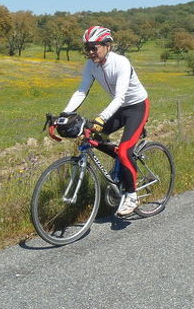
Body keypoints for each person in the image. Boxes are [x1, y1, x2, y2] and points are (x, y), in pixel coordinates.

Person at [62, 26, 149, 216]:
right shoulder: (91, 66)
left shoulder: (121, 63)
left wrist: (101, 118)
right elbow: (81, 91)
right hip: (119, 108)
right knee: (93, 137)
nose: (91, 52)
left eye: (94, 47)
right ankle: (123, 163)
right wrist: (65, 113)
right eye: (88, 48)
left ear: (107, 45)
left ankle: (132, 195)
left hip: (136, 106)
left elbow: (119, 97)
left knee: (125, 150)